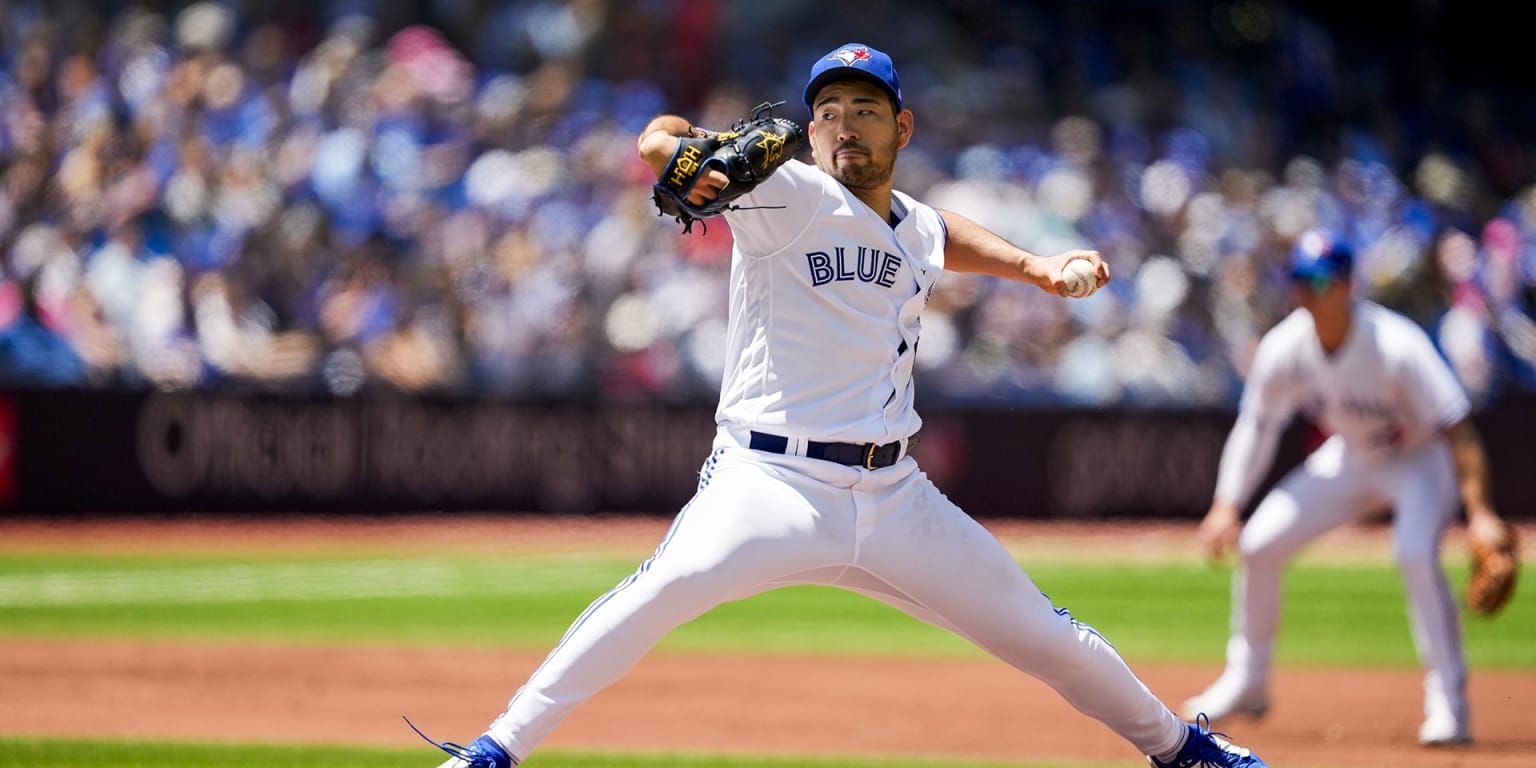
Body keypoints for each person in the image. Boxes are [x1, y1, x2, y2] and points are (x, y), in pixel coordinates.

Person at [417, 43, 1270, 768]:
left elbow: (941, 235)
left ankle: (1182, 750)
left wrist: (1039, 269)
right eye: (827, 109)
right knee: (662, 589)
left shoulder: (914, 224)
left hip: (894, 497)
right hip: (769, 482)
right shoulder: (789, 193)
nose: (843, 123)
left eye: (865, 108)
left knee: (1045, 635)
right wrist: (665, 141)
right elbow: (662, 145)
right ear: (809, 128)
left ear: (901, 128)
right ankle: (494, 751)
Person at [1183, 227, 1516, 746]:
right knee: (1259, 543)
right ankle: (1248, 681)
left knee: (1412, 553)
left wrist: (1481, 513)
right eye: (1300, 280)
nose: (1310, 292)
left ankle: (1449, 705)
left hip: (1419, 461)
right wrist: (1227, 504)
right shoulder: (1286, 345)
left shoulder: (1396, 344)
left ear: (1347, 284)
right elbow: (1257, 425)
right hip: (1351, 455)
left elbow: (1459, 431)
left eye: (1321, 280)